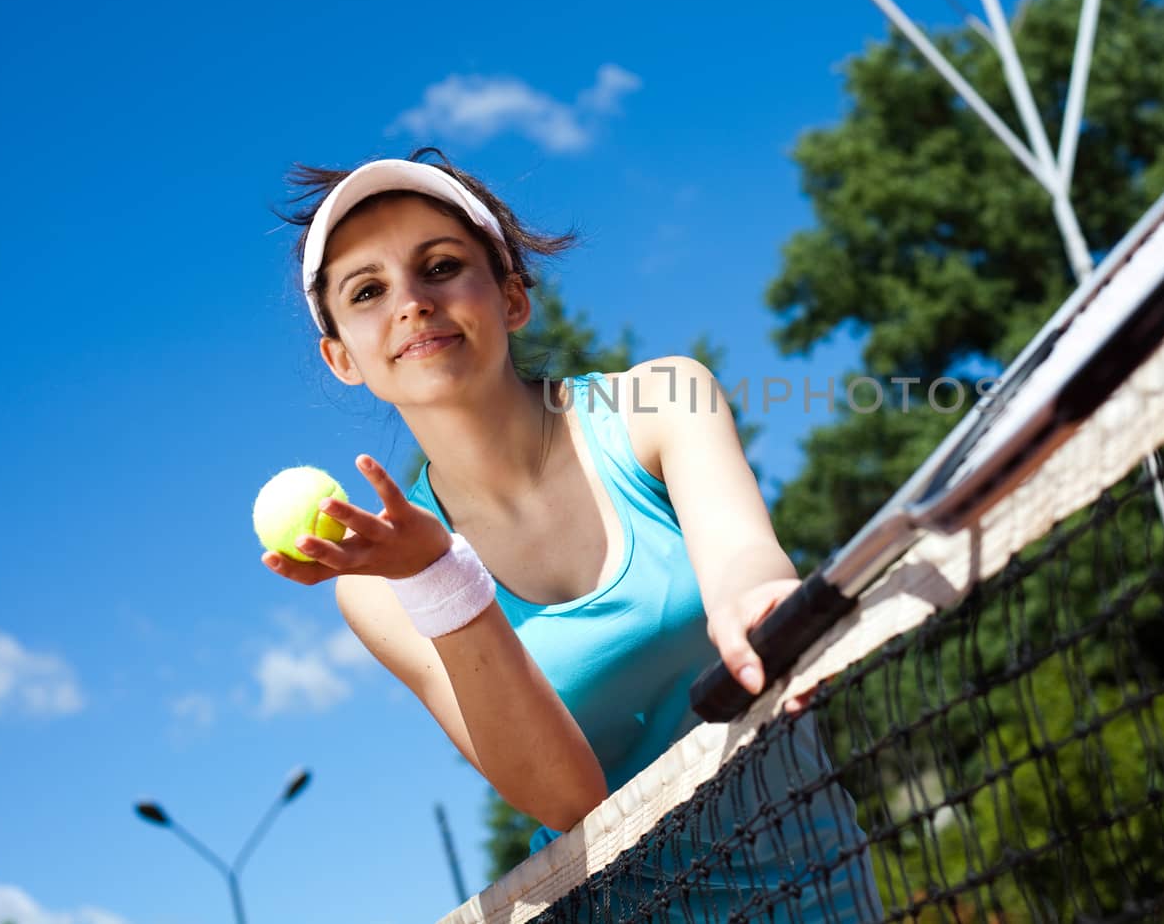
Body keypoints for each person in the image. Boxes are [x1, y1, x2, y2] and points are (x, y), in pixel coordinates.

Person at [263, 149, 878, 919]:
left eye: (442, 266)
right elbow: (564, 794)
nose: (411, 302)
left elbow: (743, 561)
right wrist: (436, 574)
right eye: (367, 290)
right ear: (341, 357)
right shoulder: (379, 586)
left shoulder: (662, 400)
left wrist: (759, 604)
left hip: (823, 890)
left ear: (512, 295)